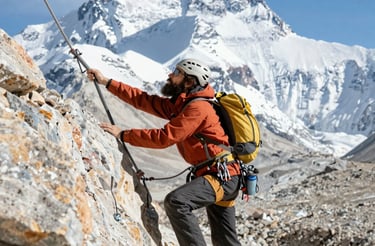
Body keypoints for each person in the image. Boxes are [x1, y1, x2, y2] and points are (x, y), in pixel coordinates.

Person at [87, 59, 242, 246]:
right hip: (222, 175)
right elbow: (144, 100)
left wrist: (124, 134)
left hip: (222, 176)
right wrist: (107, 82)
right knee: (225, 241)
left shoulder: (197, 108)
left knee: (177, 202)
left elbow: (165, 138)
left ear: (189, 81)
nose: (170, 75)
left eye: (177, 72)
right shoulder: (184, 103)